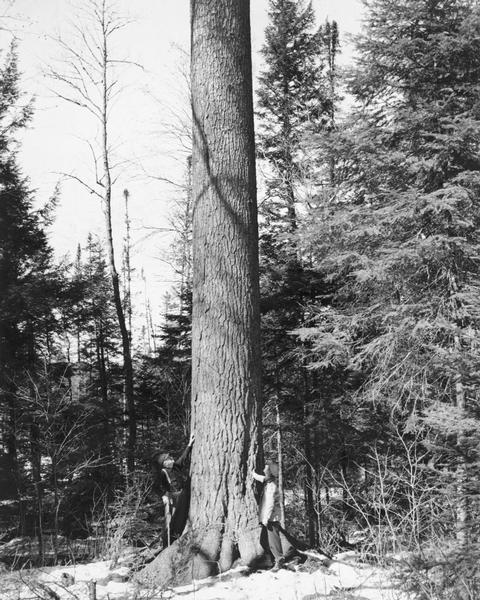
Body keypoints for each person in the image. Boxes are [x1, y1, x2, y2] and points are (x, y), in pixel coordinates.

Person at [152, 433, 194, 546]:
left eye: (170, 458)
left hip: (181, 495)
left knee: (181, 517)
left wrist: (189, 445)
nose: (171, 459)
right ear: (165, 463)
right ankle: (167, 543)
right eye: (169, 458)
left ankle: (177, 537)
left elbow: (183, 457)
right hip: (171, 498)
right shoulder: (163, 472)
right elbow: (155, 487)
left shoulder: (175, 466)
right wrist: (163, 496)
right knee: (170, 521)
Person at [252, 461, 294, 571]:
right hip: (269, 518)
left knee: (273, 541)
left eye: (266, 469)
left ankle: (279, 560)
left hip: (271, 518)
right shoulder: (269, 481)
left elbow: (270, 503)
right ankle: (269, 560)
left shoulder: (272, 485)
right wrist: (254, 475)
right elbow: (262, 478)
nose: (264, 470)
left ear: (270, 472)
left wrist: (266, 518)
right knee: (264, 540)